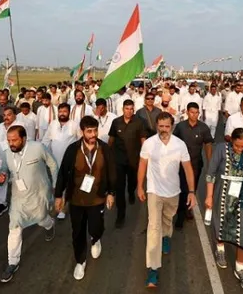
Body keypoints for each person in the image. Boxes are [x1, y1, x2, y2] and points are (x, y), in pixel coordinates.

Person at [137, 112, 197, 288]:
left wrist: (192, 191)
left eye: (167, 126)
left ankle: (166, 236)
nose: (163, 130)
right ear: (156, 126)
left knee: (167, 220)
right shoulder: (149, 144)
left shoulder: (180, 145)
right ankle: (153, 270)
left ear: (172, 126)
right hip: (154, 191)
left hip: (173, 192)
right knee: (153, 227)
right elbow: (142, 165)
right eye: (160, 126)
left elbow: (187, 168)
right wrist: (140, 186)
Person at [54, 116, 117, 280]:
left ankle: (96, 239)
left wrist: (111, 192)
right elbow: (62, 173)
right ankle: (80, 261)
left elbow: (112, 171)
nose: (93, 134)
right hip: (76, 200)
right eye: (89, 131)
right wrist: (58, 196)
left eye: (95, 130)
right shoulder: (72, 149)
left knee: (96, 227)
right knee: (78, 232)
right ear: (82, 132)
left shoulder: (104, 148)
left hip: (97, 198)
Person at [0, 126, 58, 283]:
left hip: (39, 194)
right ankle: (12, 262)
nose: (11, 143)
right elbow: (4, 168)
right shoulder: (6, 153)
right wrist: (2, 175)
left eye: (14, 140)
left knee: (41, 219)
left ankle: (50, 225)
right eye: (9, 140)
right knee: (14, 227)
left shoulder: (37, 147)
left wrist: (56, 185)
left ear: (24, 138)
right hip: (18, 198)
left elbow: (52, 164)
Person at [205, 128, 243, 291]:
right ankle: (220, 249)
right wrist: (209, 196)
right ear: (231, 141)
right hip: (223, 192)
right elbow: (211, 173)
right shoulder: (221, 148)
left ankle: (240, 268)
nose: (240, 149)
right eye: (237, 145)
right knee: (221, 222)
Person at [172, 102, 213, 228]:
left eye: (196, 113)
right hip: (180, 164)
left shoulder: (203, 128)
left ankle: (187, 208)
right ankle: (180, 215)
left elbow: (208, 145)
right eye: (192, 112)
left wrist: (210, 163)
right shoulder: (180, 127)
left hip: (196, 164)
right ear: (187, 113)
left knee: (191, 188)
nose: (194, 115)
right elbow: (173, 142)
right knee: (181, 189)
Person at [108, 99, 147, 228]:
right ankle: (120, 215)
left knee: (132, 183)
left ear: (133, 109)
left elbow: (143, 140)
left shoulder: (139, 122)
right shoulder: (116, 122)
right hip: (118, 161)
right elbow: (111, 140)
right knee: (119, 188)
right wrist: (107, 155)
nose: (129, 111)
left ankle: (131, 192)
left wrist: (146, 157)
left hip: (133, 160)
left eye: (131, 109)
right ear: (123, 109)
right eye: (126, 109)